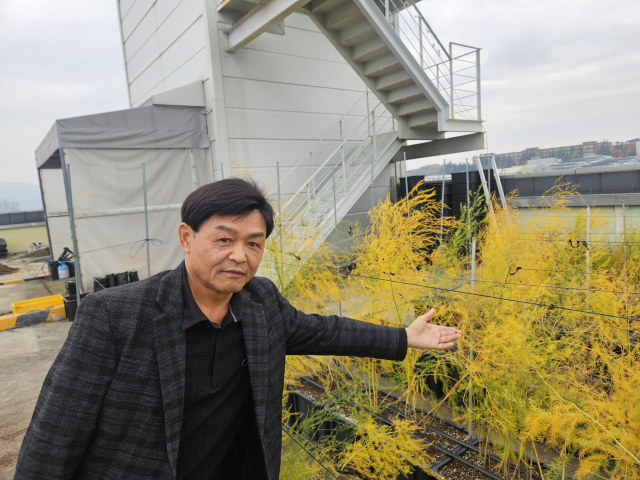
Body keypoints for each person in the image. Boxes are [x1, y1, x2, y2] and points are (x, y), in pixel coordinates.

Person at [14, 178, 461, 480]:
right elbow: (54, 436)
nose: (239, 256)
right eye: (224, 239)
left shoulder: (260, 302)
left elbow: (323, 331)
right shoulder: (115, 315)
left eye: (254, 243)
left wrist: (403, 337)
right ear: (187, 238)